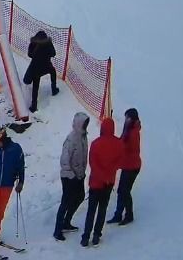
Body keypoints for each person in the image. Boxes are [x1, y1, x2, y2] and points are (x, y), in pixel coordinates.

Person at [82, 117, 125, 247]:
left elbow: (92, 164)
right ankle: (96, 235)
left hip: (96, 182)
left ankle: (85, 237)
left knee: (91, 210)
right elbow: (120, 162)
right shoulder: (119, 144)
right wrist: (108, 174)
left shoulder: (95, 144)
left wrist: (100, 175)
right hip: (108, 182)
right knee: (102, 209)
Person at [54, 111, 90, 241]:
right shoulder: (71, 139)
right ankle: (57, 230)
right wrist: (72, 175)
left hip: (79, 176)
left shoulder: (83, 137)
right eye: (85, 123)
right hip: (69, 177)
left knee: (80, 197)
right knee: (66, 201)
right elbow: (64, 161)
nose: (86, 125)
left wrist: (81, 174)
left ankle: (66, 222)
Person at [111, 108, 142, 225]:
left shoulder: (133, 133)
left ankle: (129, 215)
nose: (126, 120)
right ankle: (118, 214)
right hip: (127, 165)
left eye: (127, 118)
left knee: (125, 191)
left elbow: (125, 148)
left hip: (132, 166)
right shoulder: (129, 130)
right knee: (121, 191)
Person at [23, 30, 59, 113]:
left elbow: (30, 54)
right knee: (53, 72)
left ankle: (33, 106)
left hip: (35, 68)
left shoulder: (33, 43)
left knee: (35, 86)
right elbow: (53, 53)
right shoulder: (48, 43)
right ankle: (54, 89)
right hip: (47, 66)